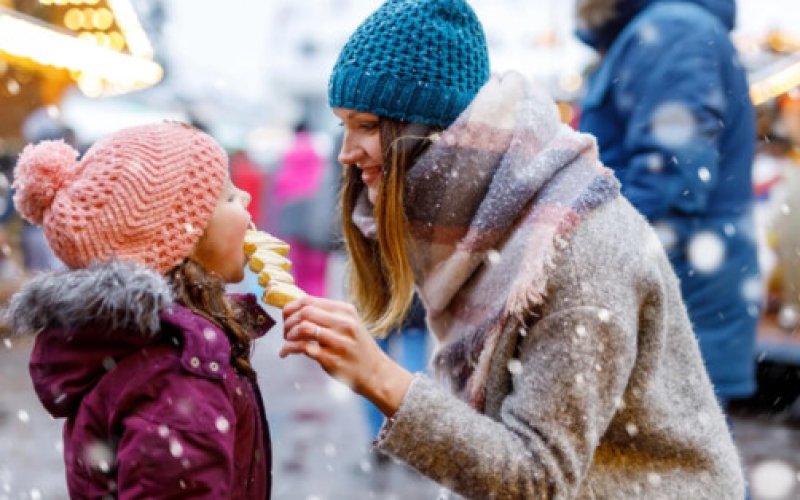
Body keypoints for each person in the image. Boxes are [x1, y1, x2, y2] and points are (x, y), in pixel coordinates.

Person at [279, 0, 745, 498]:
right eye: (343, 126)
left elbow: (536, 479)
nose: (346, 152)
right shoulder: (480, 222)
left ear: (434, 129)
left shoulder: (573, 254)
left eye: (368, 126)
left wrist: (379, 377)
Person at [5, 123, 273, 499]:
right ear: (184, 238)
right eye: (227, 197)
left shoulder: (154, 353)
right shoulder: (176, 379)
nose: (245, 197)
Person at [575, 0, 760, 406]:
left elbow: (671, 181)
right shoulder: (658, 28)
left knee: (664, 464)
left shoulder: (673, 30)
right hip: (671, 303)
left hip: (674, 307)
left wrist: (591, 270)